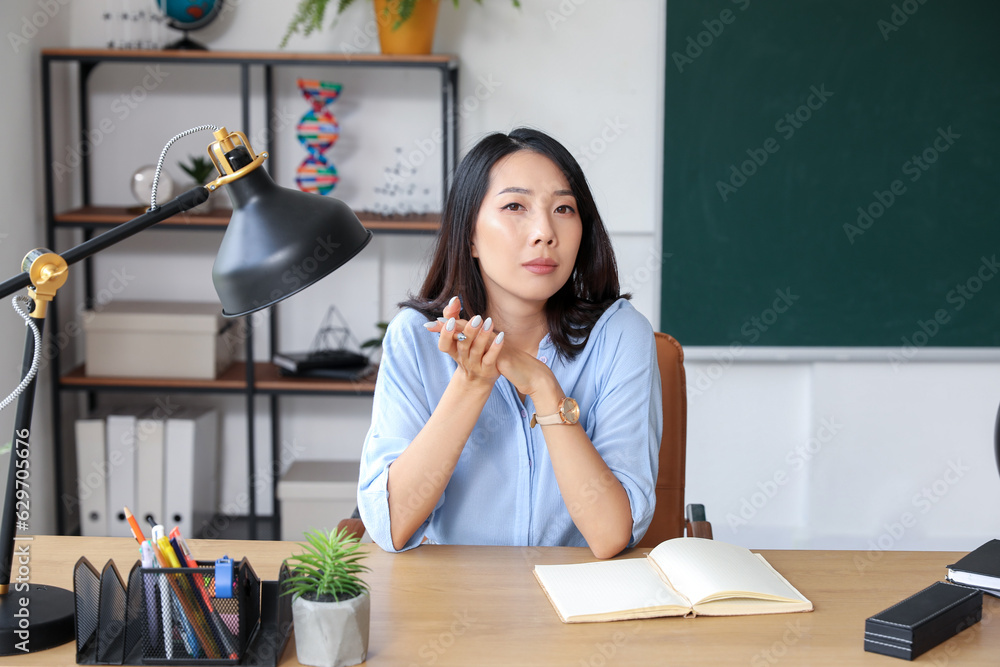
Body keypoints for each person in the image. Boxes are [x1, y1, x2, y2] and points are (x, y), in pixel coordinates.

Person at [358, 128, 662, 559]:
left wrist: (544, 388)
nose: (544, 232)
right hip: (454, 606)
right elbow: (391, 526)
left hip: (577, 603)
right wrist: (472, 383)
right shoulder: (415, 337)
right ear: (470, 235)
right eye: (515, 206)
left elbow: (610, 533)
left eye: (563, 208)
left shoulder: (620, 335)